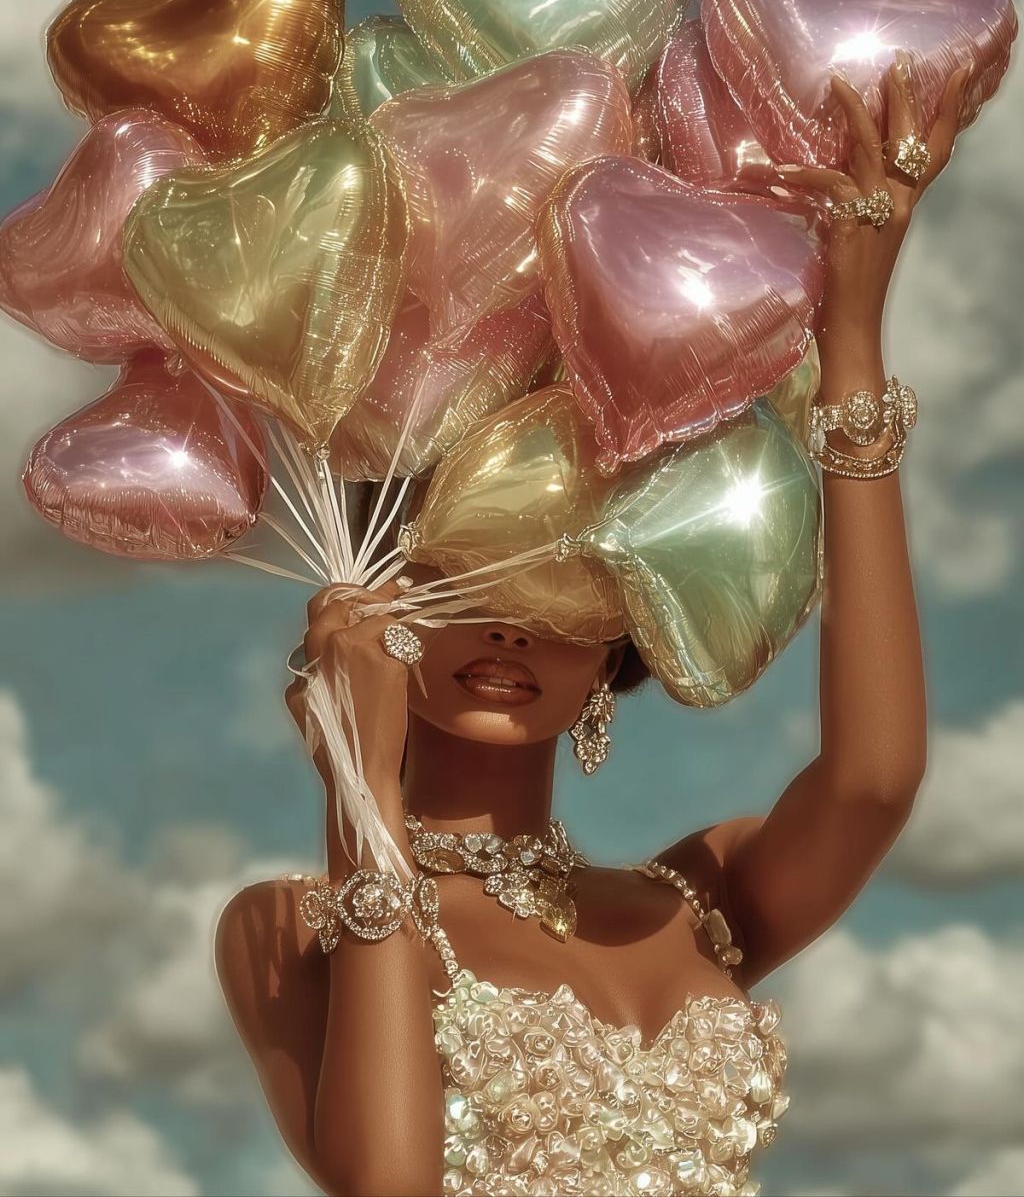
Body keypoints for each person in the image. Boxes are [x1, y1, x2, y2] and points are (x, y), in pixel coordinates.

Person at [214, 59, 968, 1197]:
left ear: (620, 641)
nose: (513, 628)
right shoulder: (284, 929)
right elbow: (386, 1187)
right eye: (466, 574)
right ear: (383, 592)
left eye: (563, 591)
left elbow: (874, 782)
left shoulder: (703, 899)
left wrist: (851, 344)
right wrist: (361, 802)